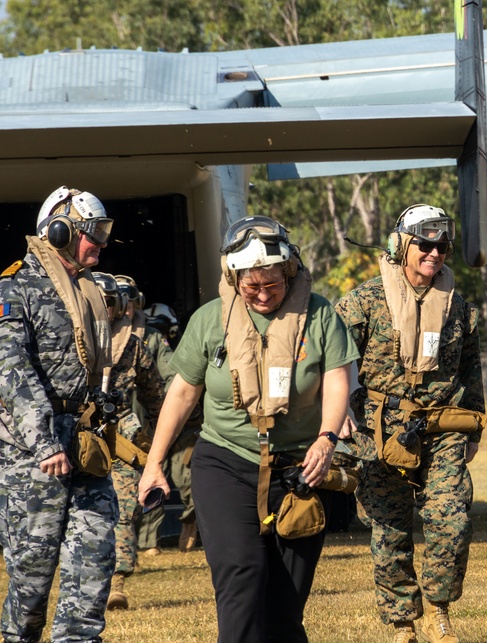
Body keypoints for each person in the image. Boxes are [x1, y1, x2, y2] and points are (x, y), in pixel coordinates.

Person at [137, 216, 357, 642]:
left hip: (299, 469)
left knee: (285, 605)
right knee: (243, 580)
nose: (260, 294)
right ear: (232, 276)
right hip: (225, 464)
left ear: (289, 271)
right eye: (249, 285)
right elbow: (182, 395)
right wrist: (154, 463)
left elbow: (336, 378)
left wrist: (327, 437)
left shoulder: (320, 315)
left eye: (271, 285)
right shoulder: (209, 320)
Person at [335, 204, 486, 643]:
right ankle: (402, 622)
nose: (435, 253)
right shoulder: (364, 301)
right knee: (389, 528)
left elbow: (471, 370)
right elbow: (333, 362)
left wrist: (474, 428)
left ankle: (440, 610)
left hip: (442, 428)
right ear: (402, 245)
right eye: (425, 244)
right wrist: (340, 412)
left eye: (442, 246)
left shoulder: (458, 306)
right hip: (379, 431)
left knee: (451, 520)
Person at [0, 186, 117, 642]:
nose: (100, 242)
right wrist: (44, 442)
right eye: (92, 233)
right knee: (32, 577)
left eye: (104, 232)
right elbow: (11, 369)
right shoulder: (14, 286)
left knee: (94, 559)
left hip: (83, 447)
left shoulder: (93, 291)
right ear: (58, 232)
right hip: (32, 454)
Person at [89, 273, 166, 611]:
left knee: (123, 508)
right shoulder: (66, 338)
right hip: (78, 438)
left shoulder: (134, 347)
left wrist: (156, 437)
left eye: (108, 302)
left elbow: (157, 396)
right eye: (97, 301)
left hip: (121, 437)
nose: (103, 309)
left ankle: (116, 583)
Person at [132, 300, 202, 554]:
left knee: (189, 478)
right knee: (145, 478)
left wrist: (178, 402)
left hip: (171, 417)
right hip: (135, 424)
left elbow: (173, 373)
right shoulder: (103, 336)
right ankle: (148, 542)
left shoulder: (150, 338)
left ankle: (190, 521)